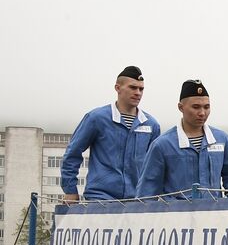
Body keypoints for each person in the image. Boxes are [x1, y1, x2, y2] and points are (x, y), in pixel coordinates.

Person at [61, 66, 161, 202]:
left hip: (137, 201)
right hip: (100, 199)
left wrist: (152, 198)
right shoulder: (97, 118)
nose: (138, 93)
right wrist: (70, 190)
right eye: (133, 87)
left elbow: (156, 166)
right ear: (118, 88)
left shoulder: (151, 125)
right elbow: (73, 153)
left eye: (141, 89)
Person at [136, 80, 228, 198]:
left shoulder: (222, 140)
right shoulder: (162, 145)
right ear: (181, 107)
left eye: (206, 107)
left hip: (213, 209)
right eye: (196, 107)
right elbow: (147, 192)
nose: (202, 113)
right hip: (177, 210)